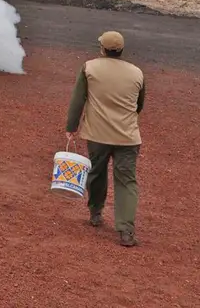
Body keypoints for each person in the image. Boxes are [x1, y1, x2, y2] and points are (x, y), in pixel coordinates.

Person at [66, 30, 146, 248]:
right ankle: (126, 230)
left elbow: (77, 100)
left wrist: (71, 127)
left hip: (97, 135)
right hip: (128, 137)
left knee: (97, 172)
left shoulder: (89, 68)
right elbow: (139, 105)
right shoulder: (136, 72)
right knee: (126, 181)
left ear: (102, 49)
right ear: (121, 50)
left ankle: (95, 213)